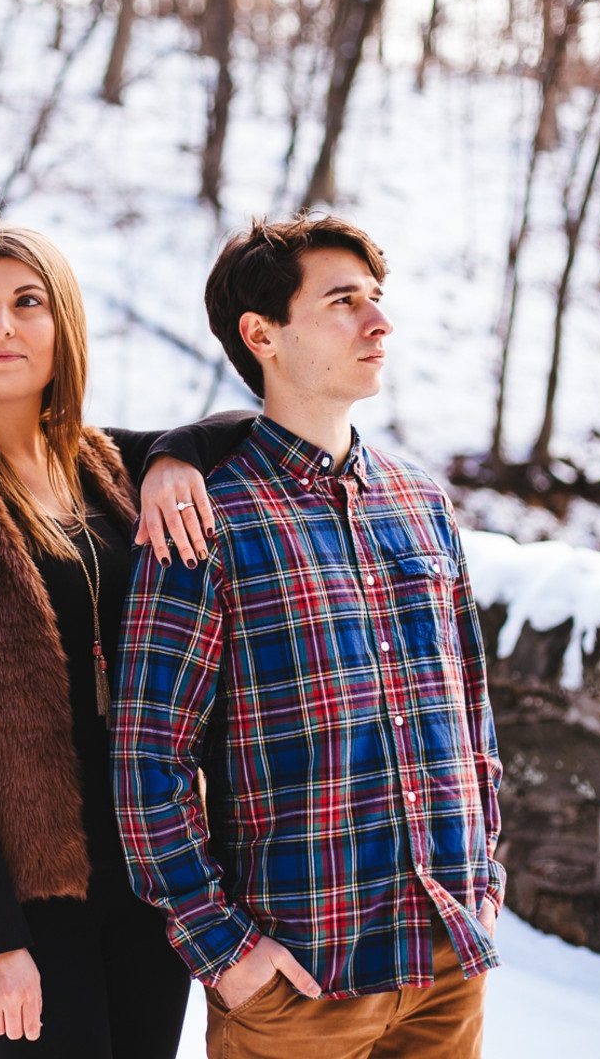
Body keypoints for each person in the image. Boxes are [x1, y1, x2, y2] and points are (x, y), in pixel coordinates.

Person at [0, 224, 253, 1057]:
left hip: (144, 869)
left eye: (27, 303)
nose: (1, 325)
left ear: (62, 327)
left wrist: (173, 457)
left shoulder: (100, 465)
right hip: (16, 882)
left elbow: (242, 430)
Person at [111, 214, 506, 1059]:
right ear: (264, 335)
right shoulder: (204, 520)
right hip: (299, 982)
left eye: (376, 298)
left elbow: (471, 712)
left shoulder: (422, 503)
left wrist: (484, 880)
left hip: (446, 963)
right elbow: (149, 760)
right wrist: (222, 948)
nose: (379, 323)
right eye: (343, 302)